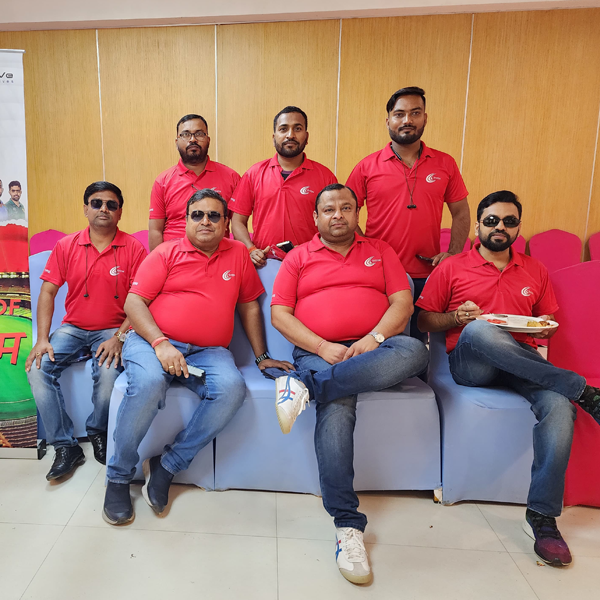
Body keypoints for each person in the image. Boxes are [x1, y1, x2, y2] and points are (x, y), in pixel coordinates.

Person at [416, 190, 600, 567]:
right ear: (479, 224)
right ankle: (582, 389)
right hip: (473, 363)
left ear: (518, 226)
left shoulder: (535, 270)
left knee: (559, 408)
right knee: (482, 330)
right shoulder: (451, 267)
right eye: (492, 220)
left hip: (524, 361)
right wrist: (456, 319)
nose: (500, 227)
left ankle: (542, 517)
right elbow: (424, 321)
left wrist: (545, 329)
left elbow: (546, 322)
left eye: (510, 221)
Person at [103, 188, 293, 526]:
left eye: (213, 216)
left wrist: (262, 356)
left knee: (232, 389)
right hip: (151, 342)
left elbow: (249, 305)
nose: (205, 221)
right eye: (197, 215)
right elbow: (134, 304)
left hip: (208, 353)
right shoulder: (165, 252)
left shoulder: (237, 254)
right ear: (187, 220)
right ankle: (118, 476)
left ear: (225, 223)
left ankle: (167, 466)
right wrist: (161, 342)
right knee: (147, 383)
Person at [270, 183, 429, 584]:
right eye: (329, 209)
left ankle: (307, 388)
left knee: (414, 351)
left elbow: (402, 302)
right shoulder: (299, 258)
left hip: (377, 349)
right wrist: (323, 346)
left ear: (357, 213)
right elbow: (280, 315)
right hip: (316, 353)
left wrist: (373, 339)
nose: (337, 214)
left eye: (345, 208)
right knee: (338, 410)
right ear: (316, 218)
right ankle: (347, 526)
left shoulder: (380, 251)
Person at [26, 181, 147, 481]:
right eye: (96, 203)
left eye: (111, 204)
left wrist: (119, 337)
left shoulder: (134, 248)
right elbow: (47, 292)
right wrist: (42, 339)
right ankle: (65, 445)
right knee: (38, 367)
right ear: (85, 209)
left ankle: (98, 431)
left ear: (120, 213)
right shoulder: (66, 246)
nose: (103, 209)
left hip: (113, 330)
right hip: (73, 327)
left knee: (107, 376)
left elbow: (144, 299)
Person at [346, 86, 470, 340]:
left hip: (429, 275)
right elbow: (347, 214)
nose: (407, 120)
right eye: (400, 114)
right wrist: (367, 248)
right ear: (388, 120)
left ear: (425, 118)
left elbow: (461, 212)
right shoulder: (367, 166)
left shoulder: (445, 163)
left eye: (415, 113)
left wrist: (454, 254)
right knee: (384, 345)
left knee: (419, 346)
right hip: (380, 275)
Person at [230, 106, 337, 266]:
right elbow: (237, 221)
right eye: (283, 129)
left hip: (312, 261)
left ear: (306, 137)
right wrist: (251, 249)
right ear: (274, 137)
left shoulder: (325, 176)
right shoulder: (253, 174)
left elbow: (334, 222)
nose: (290, 135)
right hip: (266, 263)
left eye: (298, 128)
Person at [149, 114, 240, 251]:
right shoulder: (163, 181)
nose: (193, 139)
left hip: (218, 256)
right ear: (177, 142)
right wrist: (160, 263)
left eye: (199, 134)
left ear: (208, 140)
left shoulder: (231, 177)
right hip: (174, 258)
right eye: (185, 134)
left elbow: (238, 224)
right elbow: (155, 229)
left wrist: (243, 254)